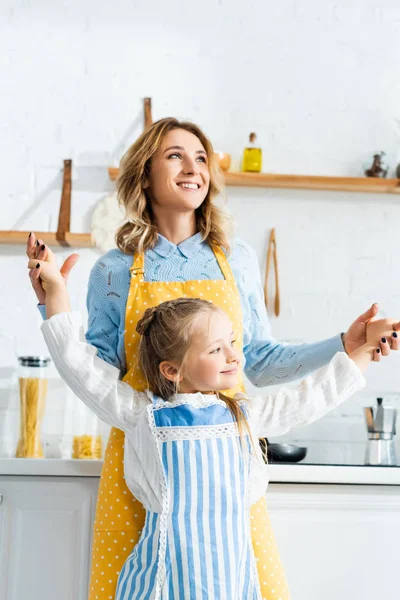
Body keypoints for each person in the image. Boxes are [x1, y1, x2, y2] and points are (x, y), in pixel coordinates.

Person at [26, 117, 400, 600]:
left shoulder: (236, 258)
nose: (194, 167)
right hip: (145, 461)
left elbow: (259, 361)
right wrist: (54, 300)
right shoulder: (113, 270)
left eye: (201, 157)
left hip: (227, 462)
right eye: (176, 155)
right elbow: (94, 374)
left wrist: (345, 346)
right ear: (145, 174)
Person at [31, 263, 397, 598]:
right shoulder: (144, 415)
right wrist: (57, 297)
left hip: (232, 581)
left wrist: (365, 348)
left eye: (233, 343)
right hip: (163, 581)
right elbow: (82, 371)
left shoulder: (243, 415)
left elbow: (311, 397)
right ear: (172, 370)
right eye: (217, 349)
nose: (234, 356)